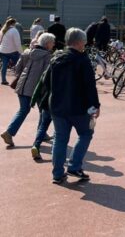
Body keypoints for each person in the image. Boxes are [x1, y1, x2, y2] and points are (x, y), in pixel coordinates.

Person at [45, 28, 100, 184]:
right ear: (79, 42)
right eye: (84, 41)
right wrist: (95, 106)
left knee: (60, 139)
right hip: (79, 107)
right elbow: (90, 86)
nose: (85, 43)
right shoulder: (83, 60)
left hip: (57, 105)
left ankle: (57, 173)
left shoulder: (56, 58)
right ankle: (74, 166)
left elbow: (46, 82)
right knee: (86, 133)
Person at [0, 33, 55, 148]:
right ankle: (40, 134)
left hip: (22, 86)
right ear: (48, 43)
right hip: (38, 89)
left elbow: (17, 69)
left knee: (23, 110)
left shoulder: (27, 52)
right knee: (43, 111)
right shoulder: (47, 56)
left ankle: (9, 133)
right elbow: (46, 75)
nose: (54, 44)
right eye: (52, 42)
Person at [0, 18, 23, 85]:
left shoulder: (3, 30)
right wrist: (21, 52)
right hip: (13, 51)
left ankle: (3, 80)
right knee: (19, 65)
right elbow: (17, 43)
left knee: (4, 65)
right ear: (14, 23)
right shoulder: (14, 30)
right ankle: (18, 80)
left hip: (3, 50)